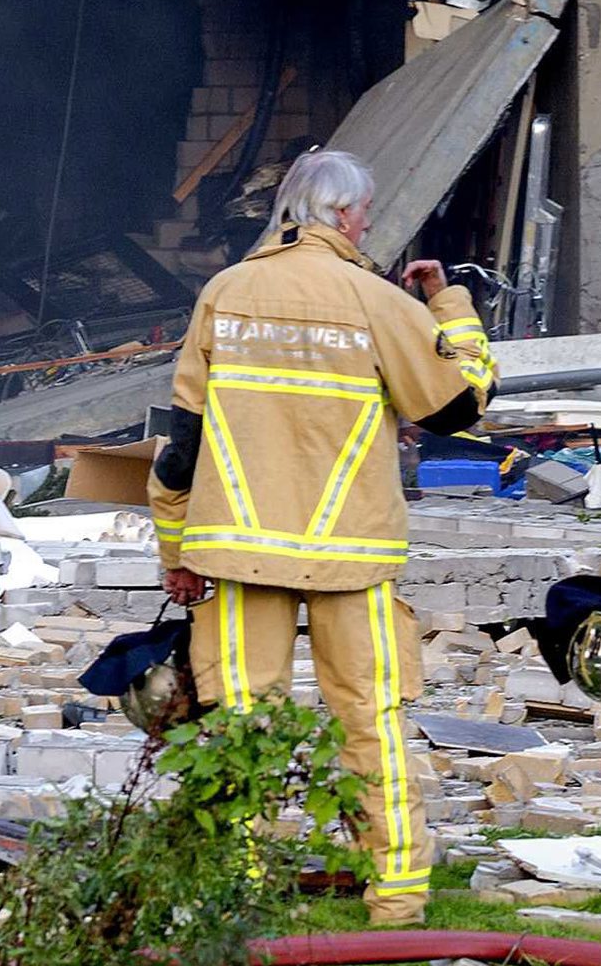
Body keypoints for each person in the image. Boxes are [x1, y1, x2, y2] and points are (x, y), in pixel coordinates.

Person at [151, 147, 497, 926]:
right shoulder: (375, 300)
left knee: (244, 720)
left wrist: (175, 551)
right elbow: (460, 405)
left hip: (240, 552)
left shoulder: (225, 294)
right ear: (342, 216)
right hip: (354, 553)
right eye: (365, 217)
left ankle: (243, 889)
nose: (367, 229)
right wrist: (452, 309)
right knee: (370, 720)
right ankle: (398, 897)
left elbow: (181, 440)